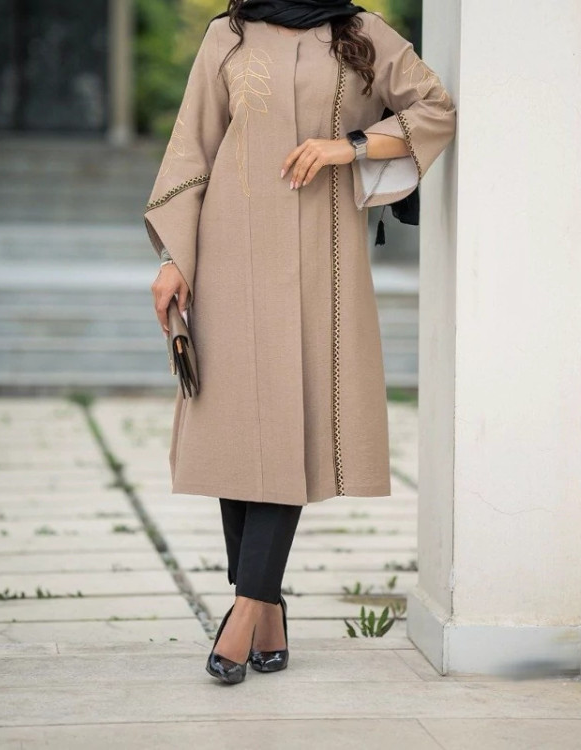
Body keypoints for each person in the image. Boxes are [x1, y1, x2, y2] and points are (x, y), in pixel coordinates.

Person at [145, 0, 457, 685]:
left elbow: (435, 108)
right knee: (239, 431)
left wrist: (351, 145)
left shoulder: (360, 32)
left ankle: (245, 609)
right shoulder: (227, 35)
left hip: (322, 257)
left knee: (288, 423)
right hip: (228, 252)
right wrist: (174, 258)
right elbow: (192, 147)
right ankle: (268, 610)